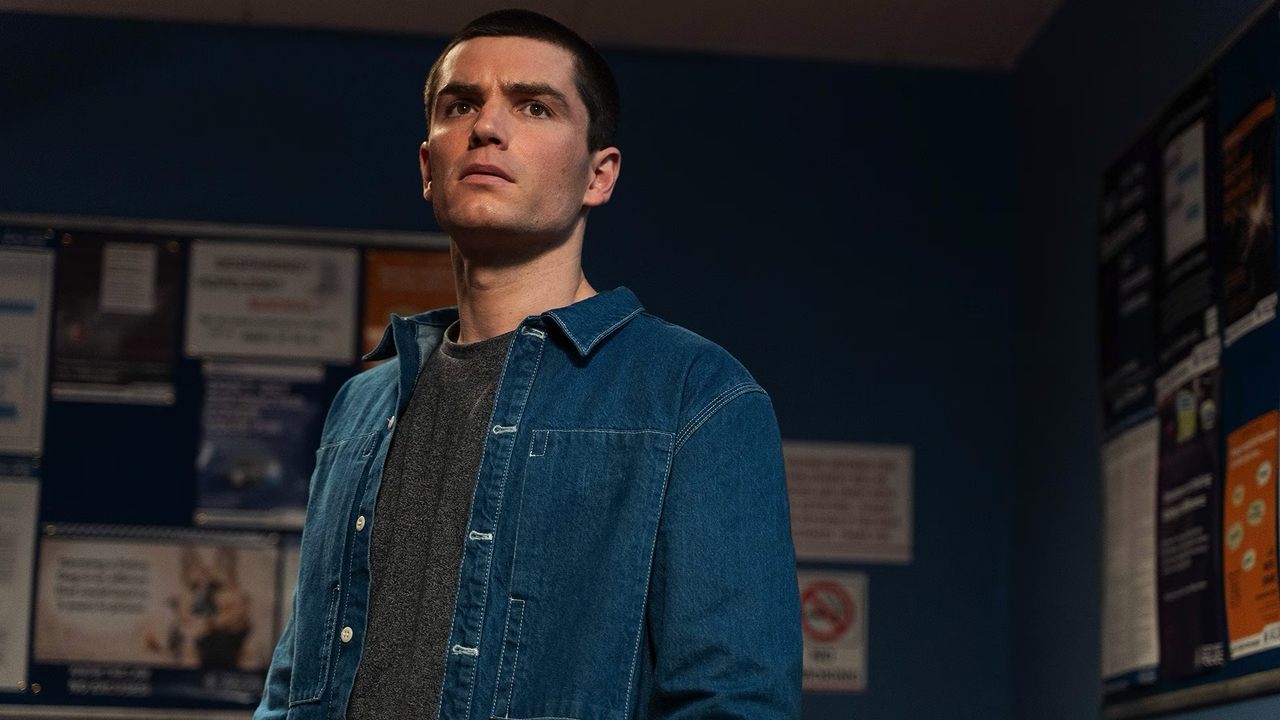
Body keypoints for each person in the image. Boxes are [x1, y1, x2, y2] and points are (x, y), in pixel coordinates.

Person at [254, 9, 800, 720]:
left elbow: (733, 703)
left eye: (534, 106)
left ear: (599, 175)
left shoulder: (695, 395)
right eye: (460, 105)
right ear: (428, 168)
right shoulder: (362, 407)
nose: (487, 126)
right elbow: (297, 684)